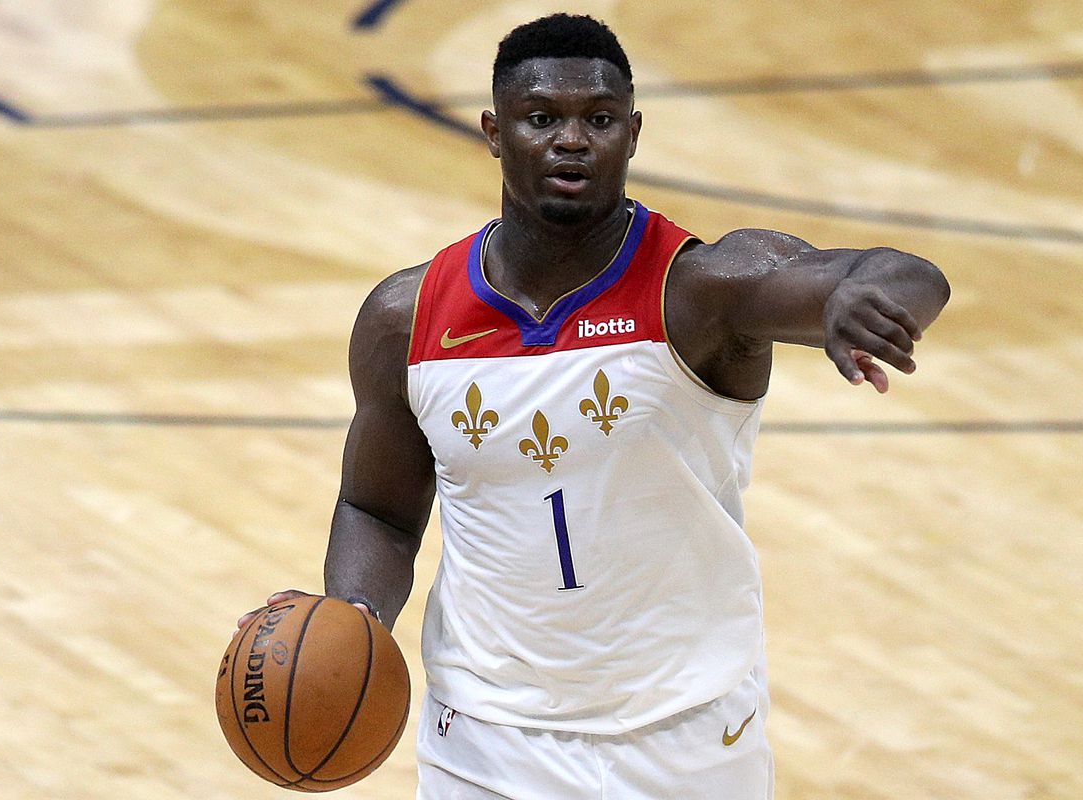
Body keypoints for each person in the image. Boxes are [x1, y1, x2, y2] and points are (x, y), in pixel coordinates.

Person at [240, 13, 949, 799]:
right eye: (543, 118)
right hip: (485, 739)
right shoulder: (406, 320)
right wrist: (356, 616)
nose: (572, 140)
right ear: (495, 133)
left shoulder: (701, 290)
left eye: (600, 120)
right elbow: (377, 509)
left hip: (688, 739)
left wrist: (860, 300)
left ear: (633, 134)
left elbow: (909, 272)